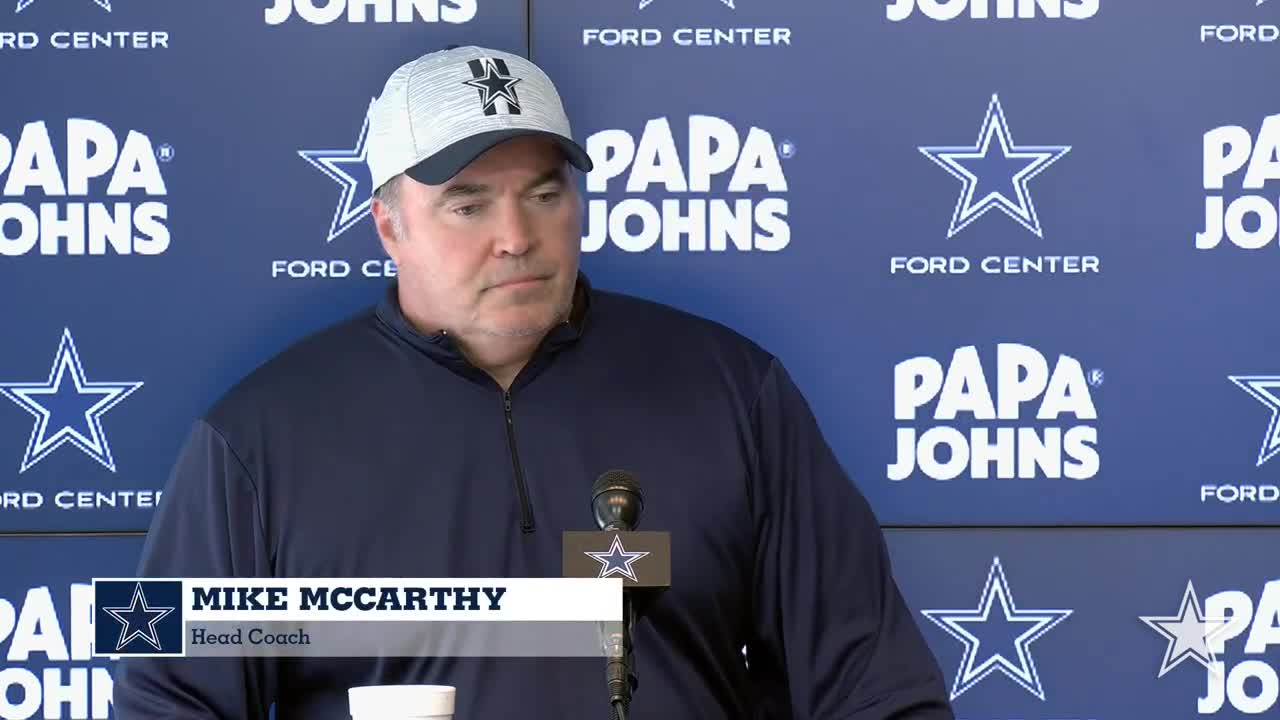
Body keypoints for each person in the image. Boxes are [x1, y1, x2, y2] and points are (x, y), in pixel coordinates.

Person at [113, 45, 954, 719]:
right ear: (387, 224)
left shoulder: (734, 392)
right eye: (468, 204)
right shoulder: (257, 437)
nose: (517, 237)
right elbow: (165, 701)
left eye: (545, 193)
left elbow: (874, 684)